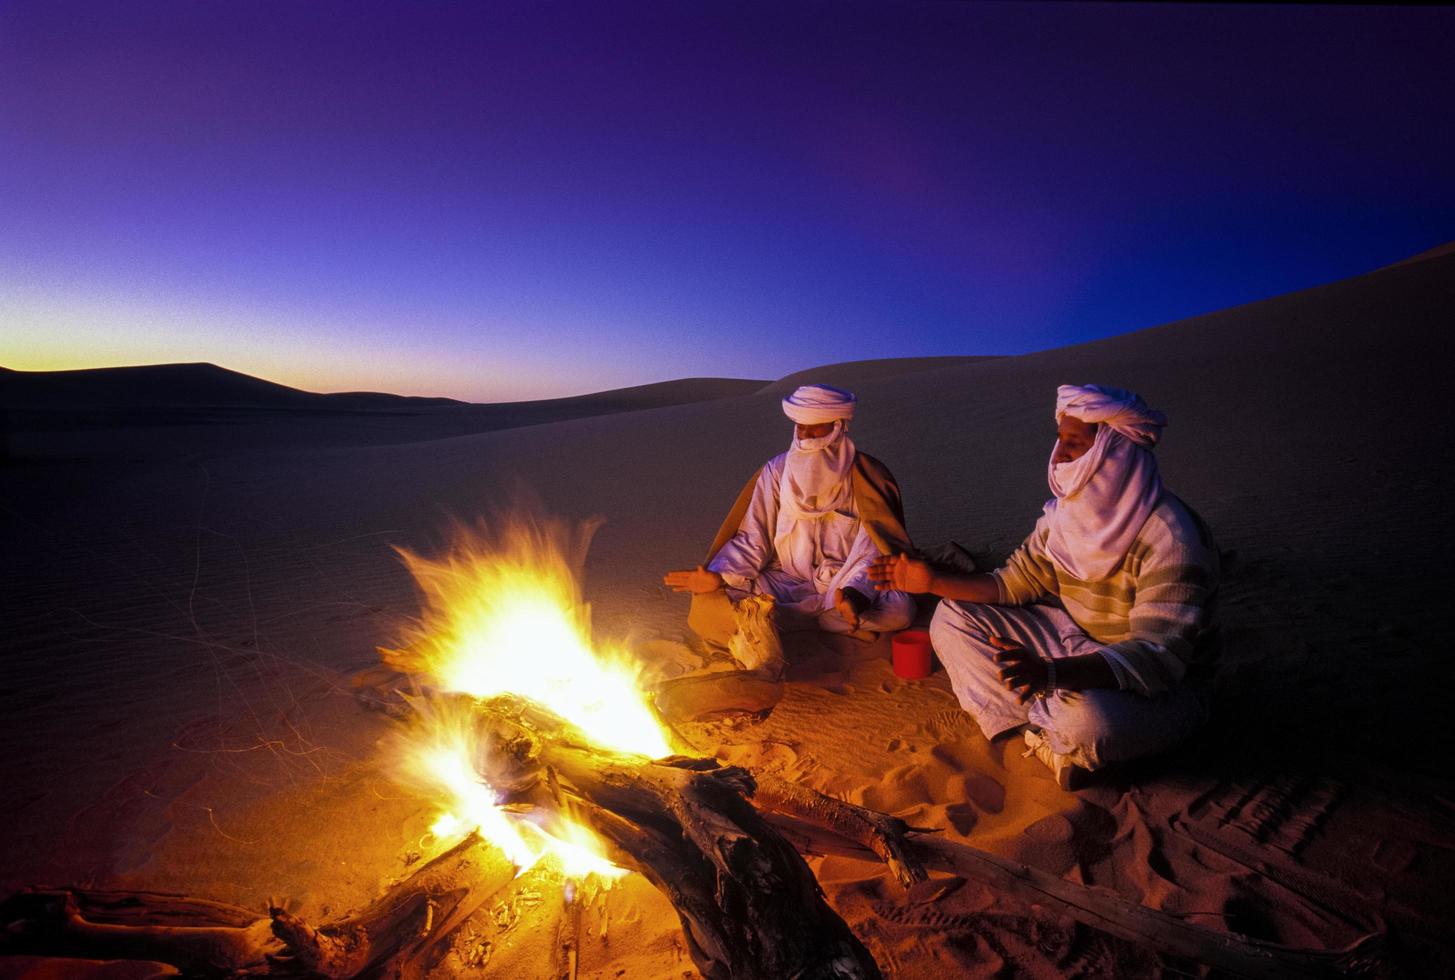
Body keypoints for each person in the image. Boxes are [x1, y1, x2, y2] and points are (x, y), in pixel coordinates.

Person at [870, 385, 1218, 788]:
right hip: (1076, 644)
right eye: (1060, 442)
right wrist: (930, 582)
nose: (1060, 456)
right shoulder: (1063, 519)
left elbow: (1157, 660)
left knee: (1093, 721)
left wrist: (1051, 675)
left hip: (1163, 685)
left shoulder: (1170, 537)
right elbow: (1012, 584)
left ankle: (1064, 733)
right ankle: (1040, 735)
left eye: (1075, 444)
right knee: (951, 614)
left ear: (1115, 450)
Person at [665, 384, 916, 673]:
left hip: (841, 581)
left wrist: (854, 594)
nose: (806, 438)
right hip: (784, 580)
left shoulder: (865, 476)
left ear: (838, 426)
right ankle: (828, 620)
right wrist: (719, 577)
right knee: (712, 608)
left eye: (815, 429)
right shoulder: (776, 472)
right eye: (801, 429)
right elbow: (752, 537)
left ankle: (815, 618)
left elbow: (872, 550)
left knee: (901, 609)